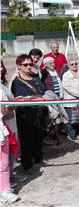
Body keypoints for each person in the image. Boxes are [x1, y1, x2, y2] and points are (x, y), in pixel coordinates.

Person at [11, 54, 48, 174]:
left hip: (39, 113)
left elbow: (43, 90)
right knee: (26, 140)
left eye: (30, 64)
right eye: (25, 64)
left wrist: (36, 97)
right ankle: (27, 165)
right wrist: (34, 98)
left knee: (38, 137)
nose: (28, 66)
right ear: (19, 66)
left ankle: (38, 159)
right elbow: (20, 98)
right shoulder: (16, 82)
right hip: (25, 115)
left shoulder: (36, 78)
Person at [0, 61, 20, 203]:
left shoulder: (1, 88)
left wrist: (14, 104)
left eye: (1, 65)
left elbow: (4, 110)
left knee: (4, 162)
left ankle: (5, 189)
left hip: (2, 128)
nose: (1, 68)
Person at [62, 59, 79, 140]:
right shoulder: (66, 75)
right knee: (70, 118)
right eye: (72, 64)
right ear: (69, 66)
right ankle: (71, 134)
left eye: (76, 63)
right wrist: (78, 94)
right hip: (70, 99)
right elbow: (66, 87)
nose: (74, 65)